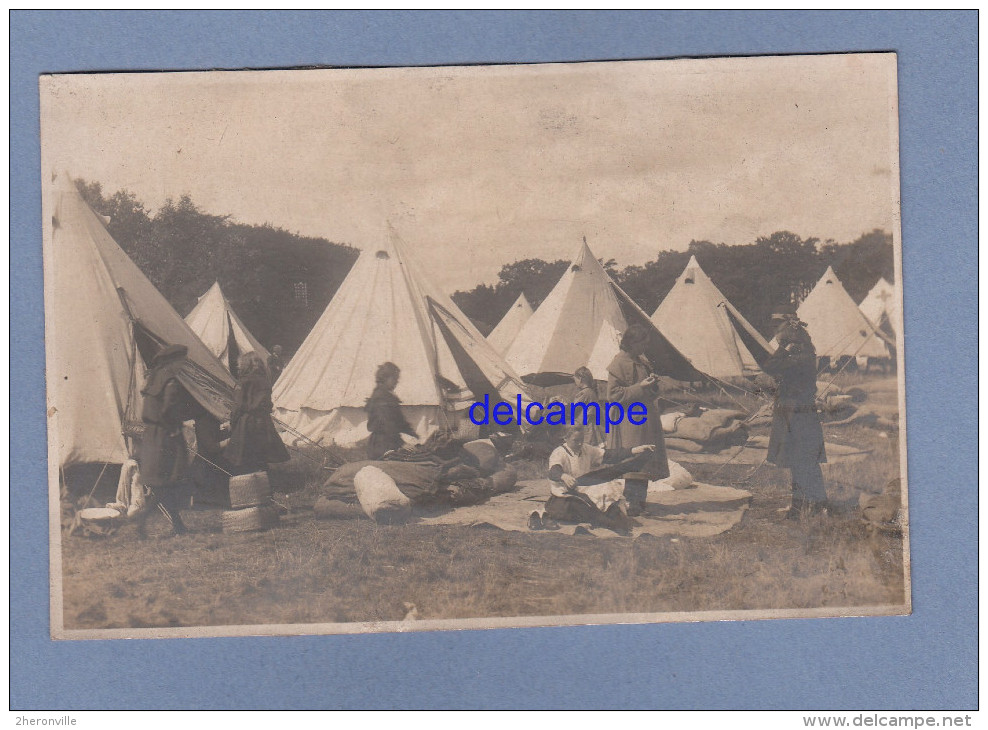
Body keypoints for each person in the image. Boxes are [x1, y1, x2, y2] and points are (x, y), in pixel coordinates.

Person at [762, 304, 828, 518]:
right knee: (797, 461)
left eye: (778, 327)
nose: (776, 332)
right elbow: (771, 366)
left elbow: (771, 367)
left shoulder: (802, 355)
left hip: (800, 414)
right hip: (791, 412)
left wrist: (783, 349)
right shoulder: (795, 351)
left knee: (805, 461)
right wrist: (784, 349)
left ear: (791, 329)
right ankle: (799, 507)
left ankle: (817, 505)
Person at [534, 425, 655, 535]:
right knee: (587, 509)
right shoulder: (559, 453)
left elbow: (610, 455)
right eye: (576, 441)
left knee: (608, 487)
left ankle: (638, 462)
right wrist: (563, 476)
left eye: (582, 440)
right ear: (565, 438)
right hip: (565, 497)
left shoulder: (586, 449)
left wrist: (635, 450)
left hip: (584, 486)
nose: (580, 444)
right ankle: (612, 524)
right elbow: (553, 471)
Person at [605, 323, 670, 514]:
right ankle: (632, 502)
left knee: (647, 457)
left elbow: (647, 391)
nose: (646, 347)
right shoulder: (618, 364)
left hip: (646, 417)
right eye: (644, 343)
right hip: (630, 420)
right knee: (636, 458)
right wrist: (640, 387)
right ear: (633, 343)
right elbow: (613, 395)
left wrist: (653, 385)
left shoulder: (642, 361)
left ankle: (640, 501)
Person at [135, 344, 196, 536]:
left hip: (153, 436)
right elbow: (169, 409)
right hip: (166, 436)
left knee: (164, 483)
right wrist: (175, 429)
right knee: (166, 481)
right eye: (182, 362)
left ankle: (178, 526)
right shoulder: (170, 382)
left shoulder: (154, 379)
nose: (183, 365)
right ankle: (143, 519)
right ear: (174, 362)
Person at [225, 351, 290, 475]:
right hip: (263, 421)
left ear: (245, 365)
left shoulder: (243, 382)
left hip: (246, 422)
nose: (238, 366)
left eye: (240, 364)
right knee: (261, 453)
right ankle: (265, 480)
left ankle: (250, 483)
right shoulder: (265, 381)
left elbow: (239, 406)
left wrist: (233, 422)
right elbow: (268, 404)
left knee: (245, 454)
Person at [365, 362, 419, 459]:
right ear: (385, 378)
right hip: (382, 444)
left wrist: (412, 434)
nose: (397, 381)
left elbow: (399, 420)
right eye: (394, 378)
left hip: (389, 440)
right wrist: (401, 443)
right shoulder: (380, 397)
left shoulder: (387, 396)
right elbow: (386, 424)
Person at [572, 366, 604, 447]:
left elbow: (573, 410)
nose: (575, 382)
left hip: (584, 428)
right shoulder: (591, 392)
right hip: (591, 427)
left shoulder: (584, 393)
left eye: (575, 379)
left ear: (580, 379)